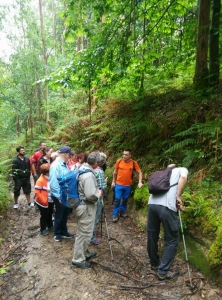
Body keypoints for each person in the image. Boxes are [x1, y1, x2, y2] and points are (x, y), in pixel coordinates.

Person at [147, 164, 188, 280]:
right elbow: (184, 177)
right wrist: (178, 196)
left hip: (152, 205)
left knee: (152, 234)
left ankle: (154, 263)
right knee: (171, 239)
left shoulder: (161, 173)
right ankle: (163, 271)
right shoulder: (181, 169)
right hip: (167, 207)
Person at [71, 152, 102, 269]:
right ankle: (78, 260)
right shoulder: (88, 175)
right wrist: (99, 193)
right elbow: (90, 195)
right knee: (83, 233)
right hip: (86, 207)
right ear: (96, 163)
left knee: (84, 231)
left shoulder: (82, 167)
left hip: (81, 206)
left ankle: (85, 253)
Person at [49, 146, 74, 242]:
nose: (70, 156)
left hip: (66, 194)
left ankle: (64, 231)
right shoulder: (56, 165)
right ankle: (57, 233)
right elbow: (53, 182)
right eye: (69, 154)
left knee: (65, 214)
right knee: (59, 214)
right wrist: (59, 196)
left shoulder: (64, 164)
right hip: (60, 195)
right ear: (65, 154)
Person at [111, 149, 143, 222]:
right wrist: (113, 181)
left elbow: (140, 172)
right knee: (117, 199)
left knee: (125, 199)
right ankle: (115, 214)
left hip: (128, 185)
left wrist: (140, 182)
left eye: (126, 155)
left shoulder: (133, 163)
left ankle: (122, 211)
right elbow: (115, 172)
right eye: (123, 154)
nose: (124, 156)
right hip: (118, 184)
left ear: (130, 156)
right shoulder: (119, 161)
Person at [90, 153, 107, 245]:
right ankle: (91, 238)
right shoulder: (99, 171)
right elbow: (101, 187)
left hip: (89, 197)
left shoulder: (90, 169)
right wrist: (105, 182)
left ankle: (89, 236)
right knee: (95, 219)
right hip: (97, 199)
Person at [34, 163, 54, 235]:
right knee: (44, 215)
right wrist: (43, 201)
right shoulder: (40, 180)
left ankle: (50, 226)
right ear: (47, 172)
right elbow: (37, 192)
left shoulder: (50, 178)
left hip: (50, 200)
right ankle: (43, 229)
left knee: (50, 213)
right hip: (43, 202)